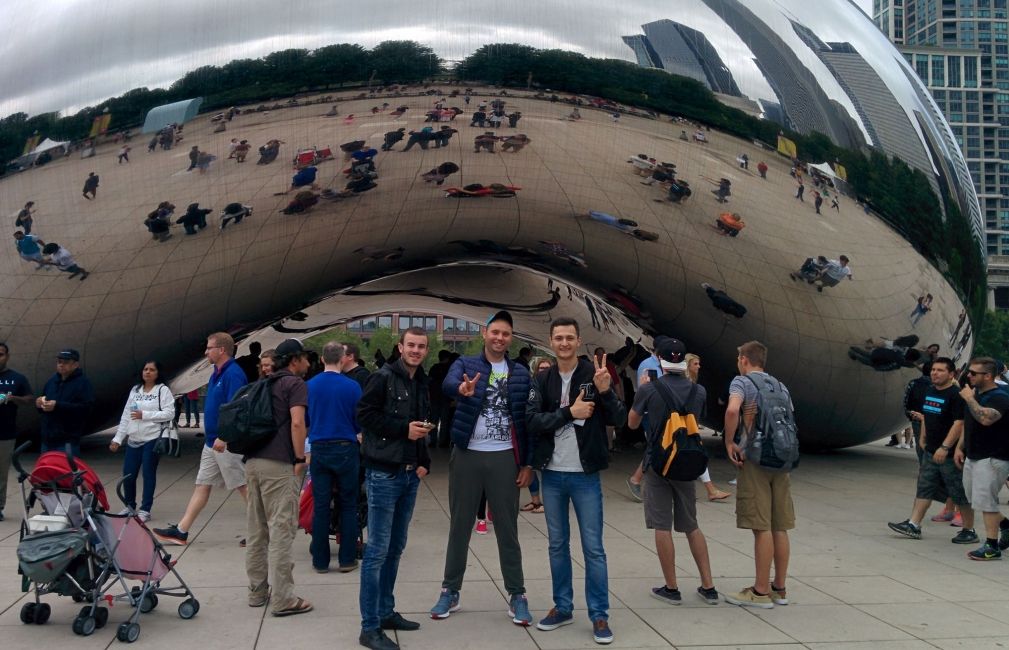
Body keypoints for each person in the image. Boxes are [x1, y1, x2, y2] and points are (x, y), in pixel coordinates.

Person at [430, 310, 534, 626]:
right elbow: (449, 383)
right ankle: (451, 589)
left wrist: (527, 462)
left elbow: (527, 420)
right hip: (468, 455)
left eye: (505, 333)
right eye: (494, 332)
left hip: (505, 457)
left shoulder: (520, 373)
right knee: (460, 525)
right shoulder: (466, 365)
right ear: (484, 334)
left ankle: (517, 594)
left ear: (511, 338)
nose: (499, 338)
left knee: (508, 529)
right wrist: (460, 390)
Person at [527, 317, 624, 644]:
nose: (564, 343)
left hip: (585, 476)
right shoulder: (543, 379)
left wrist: (606, 392)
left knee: (593, 548)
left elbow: (620, 419)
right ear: (551, 342)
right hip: (552, 475)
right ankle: (562, 606)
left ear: (578, 340)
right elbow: (533, 421)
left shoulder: (593, 374)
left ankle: (599, 615)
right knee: (557, 545)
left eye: (570, 338)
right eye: (559, 338)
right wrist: (570, 413)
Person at [628, 338, 720, 609]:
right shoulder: (698, 390)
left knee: (661, 525)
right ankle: (708, 586)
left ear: (659, 358)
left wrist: (642, 391)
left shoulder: (651, 389)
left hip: (658, 462)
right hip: (687, 461)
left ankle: (672, 587)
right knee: (691, 525)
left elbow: (632, 423)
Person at [357, 327, 432, 650]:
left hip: (408, 474)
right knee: (376, 552)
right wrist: (403, 429)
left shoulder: (420, 381)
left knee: (396, 547)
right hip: (383, 475)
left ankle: (386, 611)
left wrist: (423, 459)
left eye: (421, 346)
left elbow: (422, 423)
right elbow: (364, 415)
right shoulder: (382, 377)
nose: (415, 350)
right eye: (411, 345)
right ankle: (369, 626)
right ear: (400, 347)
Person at [154, 332, 248, 546]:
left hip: (225, 445)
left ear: (221, 350)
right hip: (211, 443)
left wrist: (225, 437)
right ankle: (181, 531)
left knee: (244, 487)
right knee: (202, 485)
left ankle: (262, 531)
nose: (206, 352)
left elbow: (237, 409)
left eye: (209, 348)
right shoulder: (216, 372)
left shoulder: (233, 374)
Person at [243, 338, 313, 617]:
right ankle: (284, 598)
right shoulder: (294, 384)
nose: (309, 363)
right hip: (279, 464)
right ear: (295, 360)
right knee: (281, 530)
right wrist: (299, 458)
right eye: (305, 358)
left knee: (257, 531)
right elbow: (297, 422)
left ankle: (256, 592)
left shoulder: (264, 383)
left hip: (253, 462)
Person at [723, 341, 795, 609]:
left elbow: (732, 410)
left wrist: (730, 441)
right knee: (780, 525)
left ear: (744, 359)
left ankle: (760, 591)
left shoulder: (742, 383)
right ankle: (780, 587)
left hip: (756, 458)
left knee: (761, 526)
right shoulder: (780, 386)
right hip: (782, 458)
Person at [887, 357, 976, 544]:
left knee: (958, 492)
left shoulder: (956, 395)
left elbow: (959, 424)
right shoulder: (929, 390)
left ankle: (969, 530)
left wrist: (945, 447)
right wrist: (922, 438)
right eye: (934, 369)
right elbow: (928, 414)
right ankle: (914, 524)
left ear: (952, 374)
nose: (935, 373)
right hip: (930, 450)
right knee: (924, 487)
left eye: (940, 370)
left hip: (949, 454)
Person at [307, 342, 363, 573]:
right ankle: (347, 559)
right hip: (346, 447)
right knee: (349, 504)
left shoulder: (309, 385)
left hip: (319, 446)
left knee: (321, 506)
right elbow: (359, 419)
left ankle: (320, 560)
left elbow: (306, 420)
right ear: (342, 360)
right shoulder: (352, 387)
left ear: (322, 359)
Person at [954, 357, 1009, 560]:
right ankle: (1005, 525)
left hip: (993, 457)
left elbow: (985, 419)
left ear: (988, 375)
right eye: (969, 372)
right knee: (975, 499)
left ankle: (991, 546)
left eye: (974, 373)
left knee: (987, 503)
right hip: (974, 455)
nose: (969, 376)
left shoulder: (1000, 396)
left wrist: (969, 398)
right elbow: (969, 422)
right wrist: (960, 447)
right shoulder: (976, 394)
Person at [109, 361, 174, 522]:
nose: (148, 372)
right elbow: (126, 415)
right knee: (128, 474)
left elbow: (169, 413)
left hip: (152, 438)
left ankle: (145, 509)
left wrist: (145, 415)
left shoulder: (162, 390)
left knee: (148, 474)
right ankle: (129, 506)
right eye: (145, 369)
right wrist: (118, 438)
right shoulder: (135, 390)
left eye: (152, 370)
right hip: (134, 439)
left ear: (158, 373)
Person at [685, 354, 731, 501]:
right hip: (683, 427)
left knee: (697, 457)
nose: (699, 367)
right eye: (695, 364)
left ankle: (710, 490)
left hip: (688, 426)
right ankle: (711, 490)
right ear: (687, 366)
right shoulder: (687, 385)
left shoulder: (693, 385)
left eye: (699, 364)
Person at [35, 349, 95, 457]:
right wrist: (40, 404)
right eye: (59, 362)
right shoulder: (52, 381)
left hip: (67, 440)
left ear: (76, 364)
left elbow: (86, 409)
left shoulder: (83, 383)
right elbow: (43, 402)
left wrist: (58, 405)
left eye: (66, 362)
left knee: (66, 472)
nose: (61, 365)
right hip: (47, 439)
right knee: (47, 471)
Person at [0, 342, 33, 521]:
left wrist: (13, 398)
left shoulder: (17, 378)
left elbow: (29, 398)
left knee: (1, 472)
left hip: (5, 433)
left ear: (7, 356)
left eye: (1, 354)